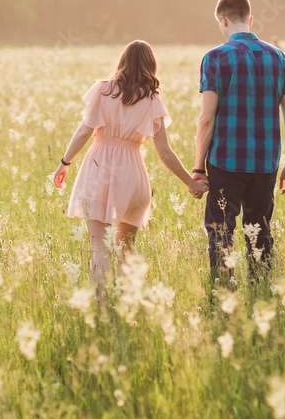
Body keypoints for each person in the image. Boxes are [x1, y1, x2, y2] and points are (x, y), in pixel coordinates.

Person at [54, 40, 208, 286]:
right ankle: (127, 306)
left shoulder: (103, 91)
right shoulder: (152, 100)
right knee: (126, 251)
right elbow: (165, 152)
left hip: (99, 169)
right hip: (134, 176)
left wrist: (64, 162)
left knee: (99, 248)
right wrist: (191, 183)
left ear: (122, 61)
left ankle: (102, 308)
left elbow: (84, 131)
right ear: (151, 66)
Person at [190, 0, 285, 284]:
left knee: (221, 233)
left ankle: (224, 293)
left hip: (225, 163)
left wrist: (199, 167)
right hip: (266, 164)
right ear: (250, 20)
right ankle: (261, 291)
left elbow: (206, 118)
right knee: (260, 233)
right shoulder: (278, 58)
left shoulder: (214, 58)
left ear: (222, 20)